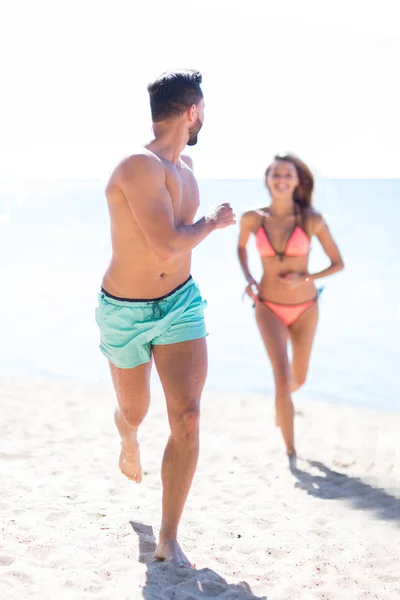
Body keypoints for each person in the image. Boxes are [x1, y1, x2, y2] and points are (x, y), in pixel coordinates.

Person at [95, 69, 235, 567]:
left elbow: (177, 252)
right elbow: (168, 242)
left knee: (189, 418)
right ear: (193, 111)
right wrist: (214, 223)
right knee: (135, 411)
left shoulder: (187, 167)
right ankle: (127, 434)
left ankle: (168, 536)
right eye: (204, 110)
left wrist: (207, 225)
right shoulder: (138, 165)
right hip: (126, 312)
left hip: (180, 304)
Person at [237, 153, 344, 460]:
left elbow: (338, 263)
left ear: (297, 181)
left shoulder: (311, 218)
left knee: (299, 379)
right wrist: (248, 278)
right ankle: (291, 453)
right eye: (276, 174)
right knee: (282, 377)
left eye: (288, 175)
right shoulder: (252, 218)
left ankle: (280, 406)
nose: (281, 180)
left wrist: (306, 277)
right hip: (267, 306)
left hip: (306, 308)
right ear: (267, 180)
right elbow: (241, 248)